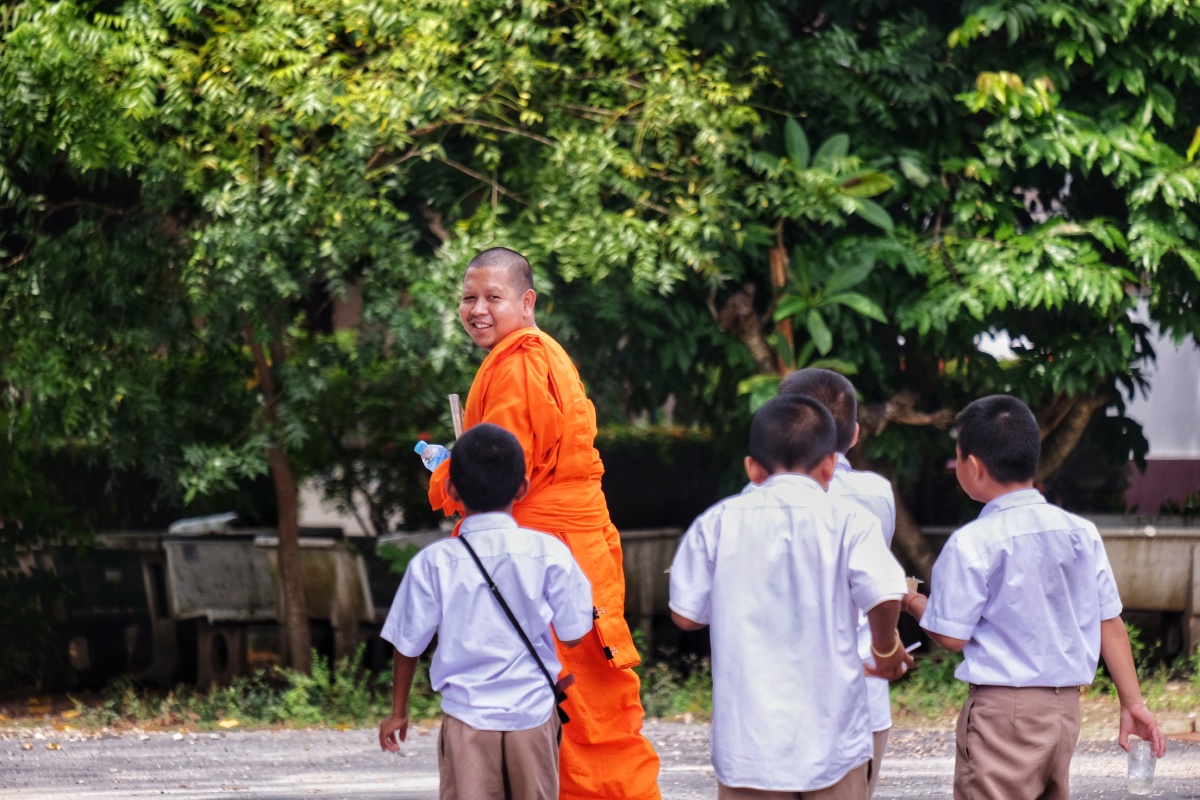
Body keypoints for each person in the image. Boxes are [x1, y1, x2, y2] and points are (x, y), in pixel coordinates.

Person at [426, 247, 662, 799]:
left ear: (526, 301)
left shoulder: (519, 362)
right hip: (569, 545)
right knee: (579, 710)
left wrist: (447, 473)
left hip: (546, 553)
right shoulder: (541, 354)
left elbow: (498, 477)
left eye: (492, 297)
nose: (476, 309)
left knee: (576, 710)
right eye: (468, 298)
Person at [902, 395, 1168, 800]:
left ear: (972, 466)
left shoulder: (972, 542)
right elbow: (1109, 621)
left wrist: (909, 601)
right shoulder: (1081, 532)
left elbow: (951, 635)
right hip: (1065, 714)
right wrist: (1132, 703)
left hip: (1003, 716)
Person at [669, 394, 914, 800]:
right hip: (832, 739)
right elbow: (886, 593)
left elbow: (685, 616)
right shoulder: (852, 521)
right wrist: (885, 648)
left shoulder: (716, 523)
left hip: (748, 746)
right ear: (830, 465)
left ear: (752, 469)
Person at [378, 422, 594, 800]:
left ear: (450, 489)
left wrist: (399, 712)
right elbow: (574, 633)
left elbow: (407, 644)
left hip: (467, 717)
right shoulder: (549, 552)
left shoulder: (434, 562)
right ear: (523, 487)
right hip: (532, 712)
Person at [778, 369, 898, 798]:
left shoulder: (753, 500)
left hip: (782, 697)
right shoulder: (876, 494)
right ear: (855, 434)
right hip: (862, 692)